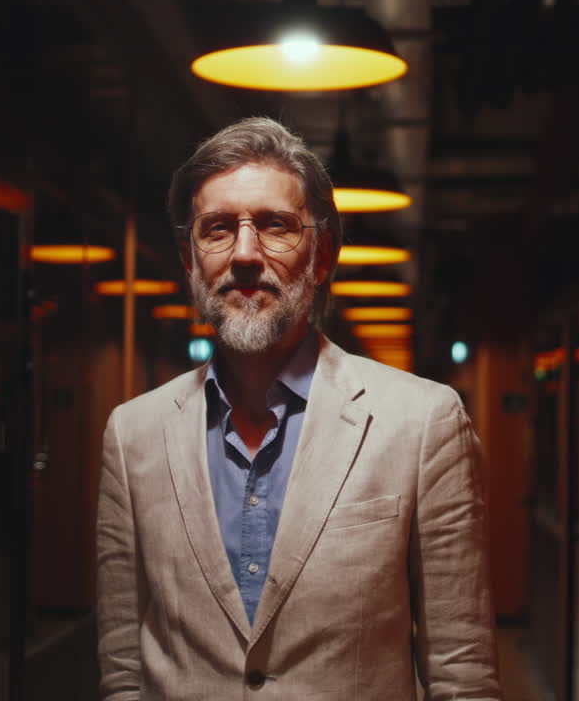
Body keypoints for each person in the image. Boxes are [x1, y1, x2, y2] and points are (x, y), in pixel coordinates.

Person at [96, 117, 501, 700]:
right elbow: (122, 670)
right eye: (216, 229)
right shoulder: (131, 434)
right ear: (189, 261)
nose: (243, 255)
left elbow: (462, 673)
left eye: (274, 226)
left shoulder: (423, 423)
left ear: (322, 255)